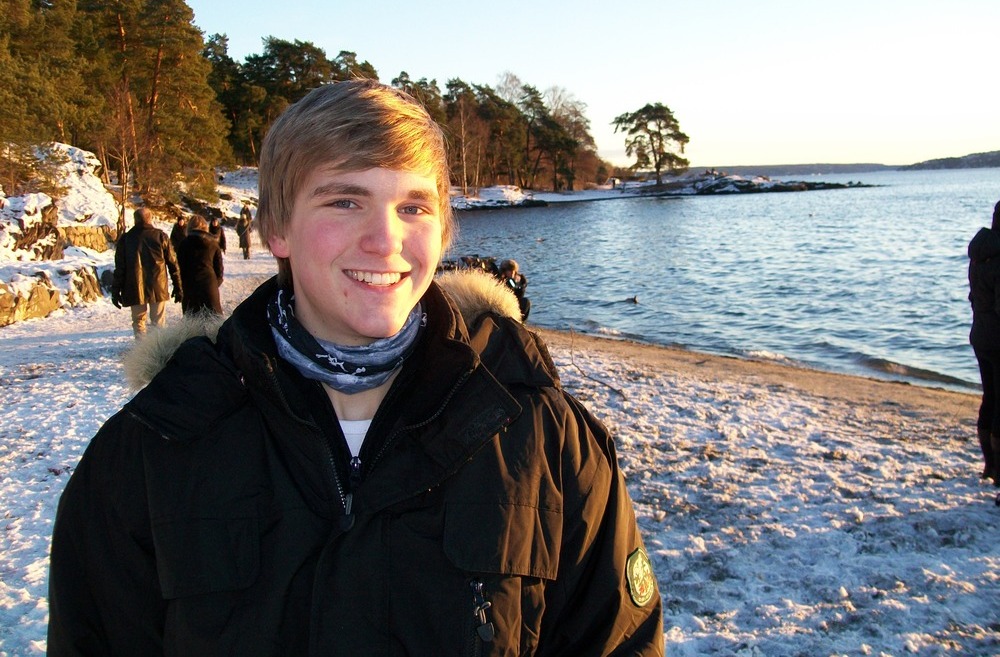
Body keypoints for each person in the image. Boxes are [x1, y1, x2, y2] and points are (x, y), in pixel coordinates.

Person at [48, 80, 664, 656]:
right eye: (345, 200)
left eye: (414, 207)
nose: (384, 240)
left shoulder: (541, 432)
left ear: (445, 230)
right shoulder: (150, 449)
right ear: (275, 228)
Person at [110, 207, 182, 338]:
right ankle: (157, 351)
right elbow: (173, 264)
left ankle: (142, 352)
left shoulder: (126, 239)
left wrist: (115, 291)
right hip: (157, 286)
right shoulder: (160, 236)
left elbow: (120, 268)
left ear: (135, 220)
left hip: (134, 286)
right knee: (158, 322)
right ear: (150, 219)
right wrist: (178, 286)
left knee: (138, 322)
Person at [968, 199, 1000, 486]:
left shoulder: (980, 254)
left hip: (980, 335)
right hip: (997, 338)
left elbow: (975, 298)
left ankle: (990, 466)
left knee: (990, 397)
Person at [175, 214, 224, 315]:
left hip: (190, 286)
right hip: (209, 285)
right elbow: (219, 269)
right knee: (213, 322)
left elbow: (179, 268)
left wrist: (181, 286)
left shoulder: (184, 244)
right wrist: (215, 284)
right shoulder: (213, 243)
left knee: (192, 322)